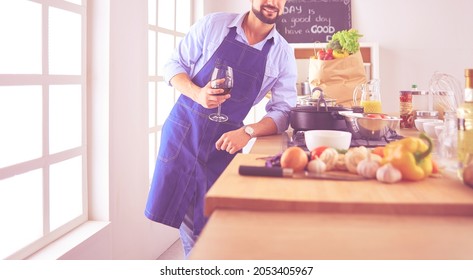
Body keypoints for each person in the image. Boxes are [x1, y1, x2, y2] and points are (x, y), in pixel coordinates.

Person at [145, 0, 297, 258]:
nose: (273, 2)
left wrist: (247, 132)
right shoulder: (213, 25)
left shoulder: (282, 52)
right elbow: (172, 66)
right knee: (193, 229)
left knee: (213, 223)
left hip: (224, 144)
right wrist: (198, 93)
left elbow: (283, 111)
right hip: (184, 134)